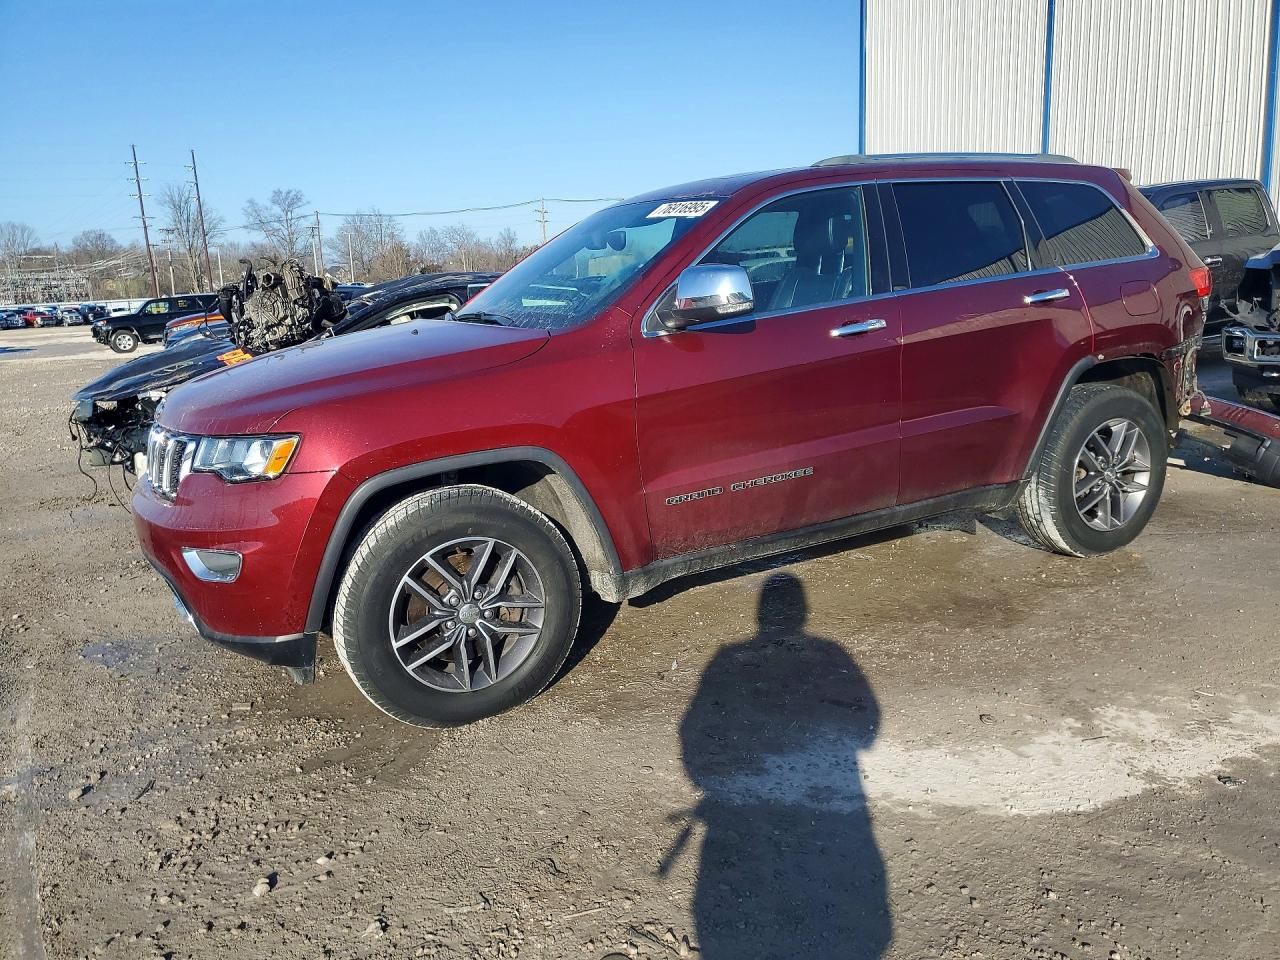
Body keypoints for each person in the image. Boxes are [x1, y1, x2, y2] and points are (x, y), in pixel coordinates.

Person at [676, 572, 891, 959]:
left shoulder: (728, 659)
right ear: (802, 612)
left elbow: (694, 734)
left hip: (739, 813)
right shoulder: (830, 654)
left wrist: (710, 775)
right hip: (825, 814)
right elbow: (869, 729)